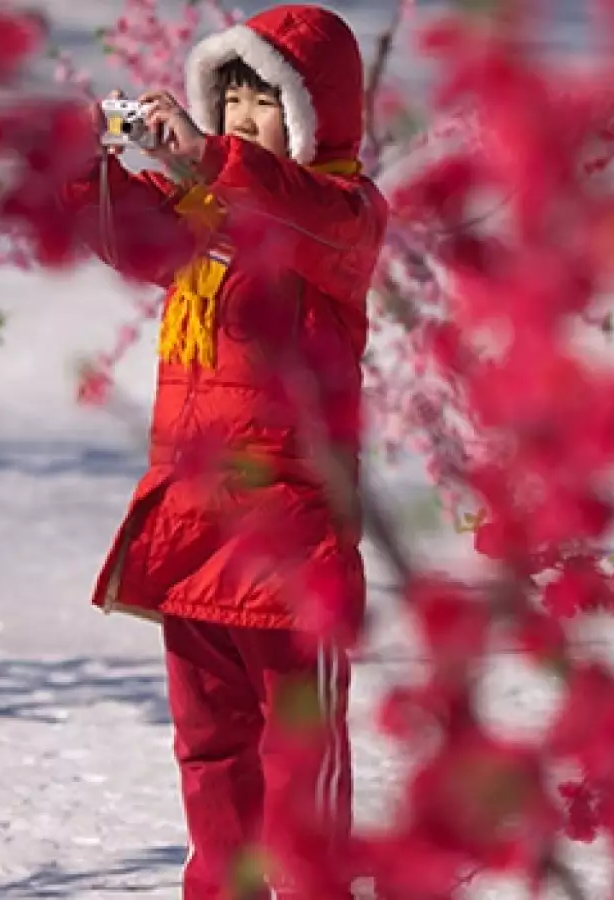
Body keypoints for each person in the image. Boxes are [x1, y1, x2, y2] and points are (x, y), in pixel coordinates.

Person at [59, 5, 386, 898]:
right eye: (230, 102)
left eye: (266, 103)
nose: (242, 122)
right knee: (208, 755)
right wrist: (72, 161)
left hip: (290, 547)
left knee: (301, 766)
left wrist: (208, 158)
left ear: (320, 116)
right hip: (193, 532)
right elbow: (124, 232)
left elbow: (298, 208)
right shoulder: (205, 217)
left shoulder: (344, 215)